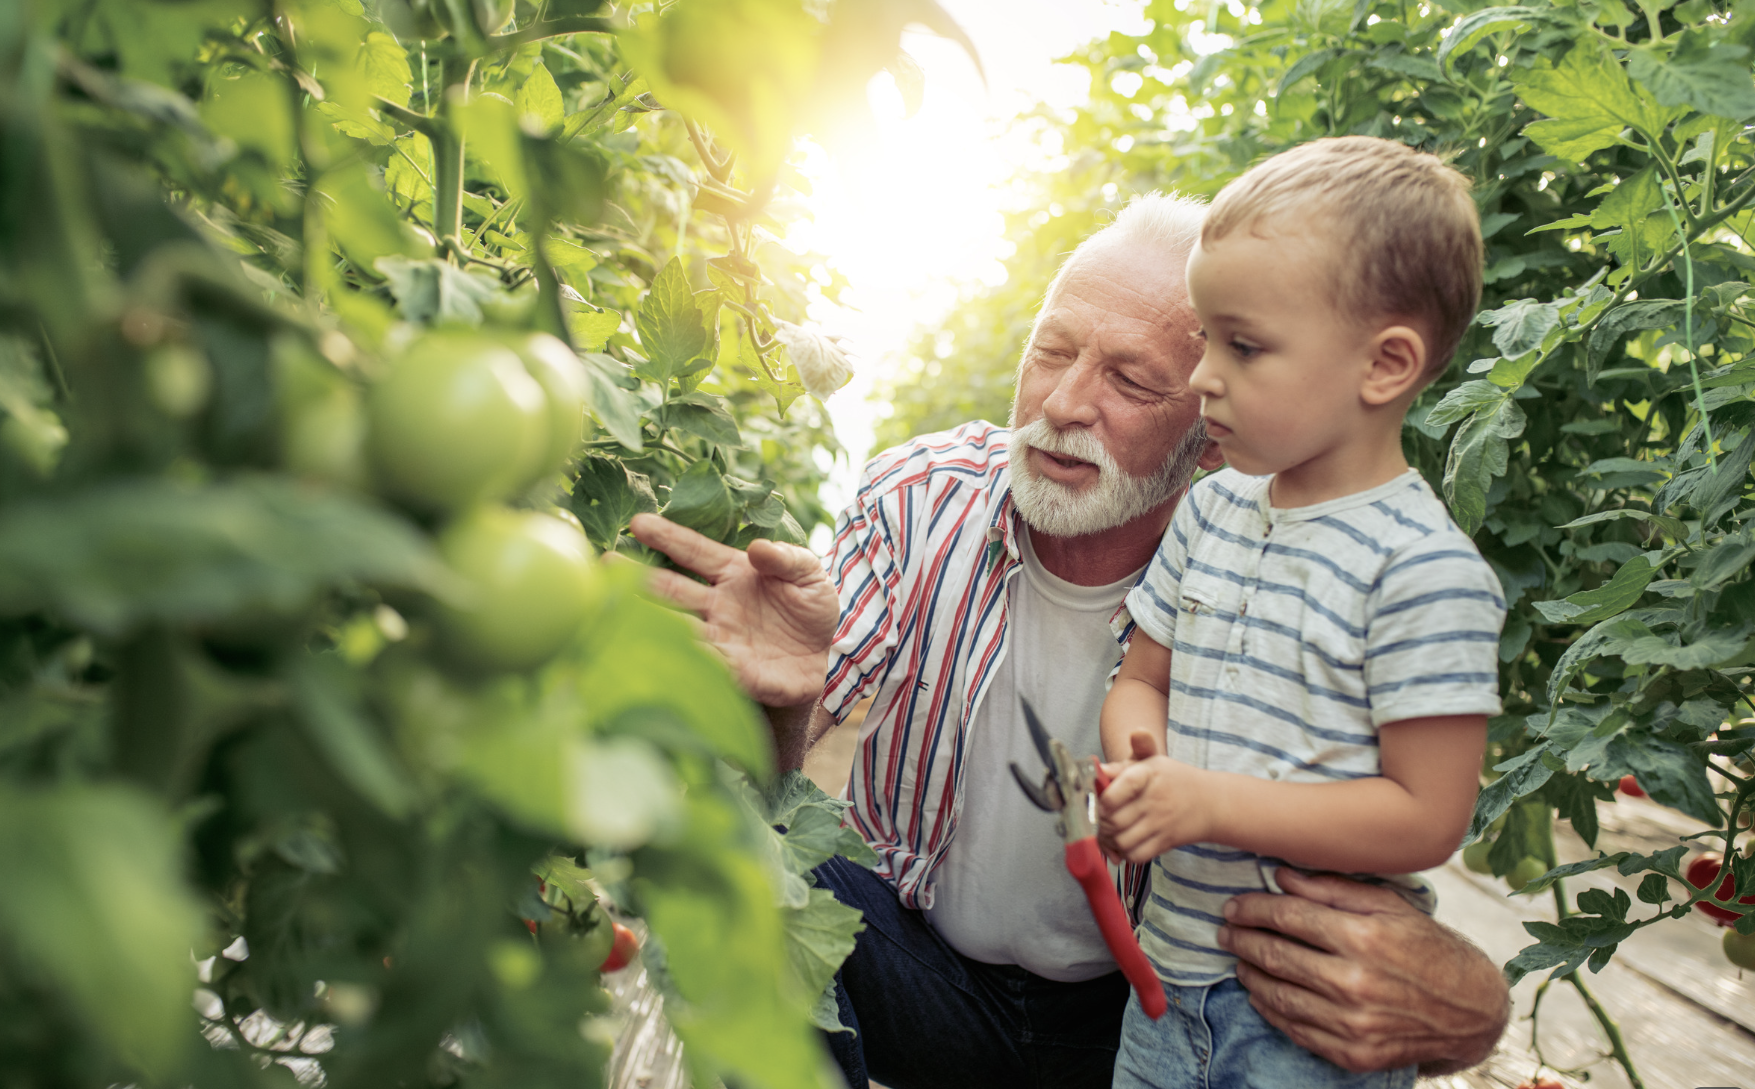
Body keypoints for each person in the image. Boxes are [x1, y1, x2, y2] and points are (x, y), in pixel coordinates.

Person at [630, 188, 1511, 1089]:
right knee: (742, 872)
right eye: (1051, 349)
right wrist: (784, 699)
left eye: (1130, 381)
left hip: (1149, 1015)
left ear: (1211, 431)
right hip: (925, 972)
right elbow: (769, 779)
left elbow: (1373, 811)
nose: (1062, 400)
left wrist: (1467, 999)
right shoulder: (918, 497)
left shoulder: (1267, 570)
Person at [1096, 138, 1505, 1089]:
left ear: (1384, 364)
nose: (1202, 374)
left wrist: (1206, 802)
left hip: (1305, 1016)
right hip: (1164, 975)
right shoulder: (1210, 511)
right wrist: (1140, 763)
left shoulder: (1423, 570)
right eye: (1204, 337)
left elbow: (1424, 816)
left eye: (1242, 345)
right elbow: (1140, 679)